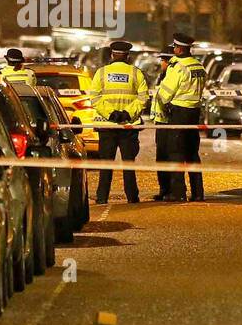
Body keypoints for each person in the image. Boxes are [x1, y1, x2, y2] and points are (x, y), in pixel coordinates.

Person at [87, 40, 149, 204]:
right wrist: (127, 113)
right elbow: (143, 97)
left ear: (112, 55)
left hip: (107, 125)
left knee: (106, 164)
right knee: (129, 164)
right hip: (128, 126)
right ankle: (132, 198)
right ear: (128, 56)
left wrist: (111, 113)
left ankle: (102, 198)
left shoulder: (101, 73)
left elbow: (94, 97)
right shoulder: (136, 73)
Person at [154, 33, 207, 202]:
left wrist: (163, 99)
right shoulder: (198, 66)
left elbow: (165, 93)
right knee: (192, 153)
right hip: (194, 113)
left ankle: (178, 193)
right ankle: (198, 193)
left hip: (179, 113)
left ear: (179, 48)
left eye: (175, 47)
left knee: (176, 152)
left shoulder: (177, 66)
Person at [150, 53, 174, 200]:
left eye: (163, 61)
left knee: (168, 156)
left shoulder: (171, 75)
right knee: (161, 157)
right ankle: (164, 189)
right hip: (161, 121)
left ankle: (170, 190)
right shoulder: (163, 75)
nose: (161, 64)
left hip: (169, 122)